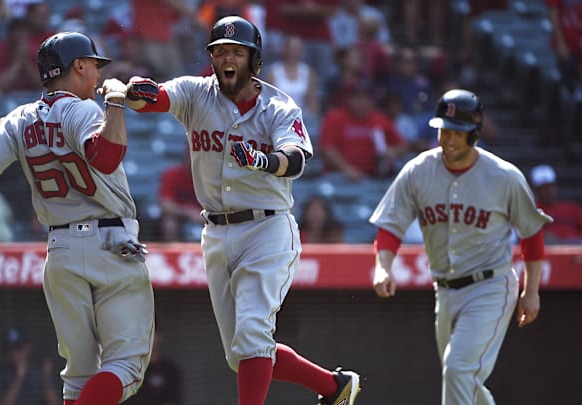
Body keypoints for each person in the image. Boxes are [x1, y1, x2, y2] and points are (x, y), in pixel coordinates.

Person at [125, 16, 361, 405]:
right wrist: (136, 92)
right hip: (215, 232)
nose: (227, 58)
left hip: (266, 228)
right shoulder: (195, 92)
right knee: (243, 356)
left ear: (254, 60)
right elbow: (156, 98)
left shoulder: (278, 107)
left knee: (252, 336)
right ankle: (334, 387)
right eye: (219, 52)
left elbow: (297, 159)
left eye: (237, 52)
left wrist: (263, 161)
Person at [0, 31, 155, 405]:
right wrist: (115, 103)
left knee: (79, 377)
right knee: (125, 367)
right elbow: (107, 158)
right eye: (94, 65)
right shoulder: (82, 108)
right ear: (78, 66)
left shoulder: (18, 118)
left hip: (60, 250)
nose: (96, 74)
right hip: (111, 243)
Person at [370, 89, 553, 405]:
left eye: (457, 133)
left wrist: (531, 290)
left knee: (457, 370)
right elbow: (390, 226)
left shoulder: (504, 176)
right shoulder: (419, 170)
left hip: (490, 287)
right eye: (444, 130)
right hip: (444, 290)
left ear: (475, 135)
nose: (449, 139)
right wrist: (382, 267)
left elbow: (531, 235)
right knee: (463, 380)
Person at [319, 80, 407, 181]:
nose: (362, 102)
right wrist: (347, 169)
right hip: (340, 176)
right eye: (358, 98)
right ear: (349, 99)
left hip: (373, 177)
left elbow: (402, 146)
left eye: (366, 98)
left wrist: (393, 151)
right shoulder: (334, 118)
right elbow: (327, 149)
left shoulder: (380, 119)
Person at [0, 327, 61, 405]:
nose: (15, 354)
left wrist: (45, 377)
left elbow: (54, 403)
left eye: (19, 348)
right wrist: (18, 378)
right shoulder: (1, 375)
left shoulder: (40, 372)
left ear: (27, 347)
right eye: (10, 350)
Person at [0, 17, 43, 97]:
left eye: (24, 31)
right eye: (17, 30)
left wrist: (27, 63)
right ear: (9, 33)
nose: (21, 35)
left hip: (31, 96)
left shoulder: (38, 51)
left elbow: (42, 85)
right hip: (3, 97)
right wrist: (17, 63)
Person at [529, 164, 582, 244]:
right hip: (551, 251)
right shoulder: (532, 210)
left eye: (551, 186)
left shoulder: (571, 207)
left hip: (578, 248)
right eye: (544, 187)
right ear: (535, 190)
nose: (549, 190)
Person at [123, 327, 182, 405]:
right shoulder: (129, 369)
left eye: (152, 334)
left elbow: (172, 399)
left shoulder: (170, 370)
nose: (148, 339)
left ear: (160, 337)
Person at [157, 151, 204, 242]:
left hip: (204, 215)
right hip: (181, 216)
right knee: (169, 221)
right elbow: (165, 204)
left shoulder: (207, 178)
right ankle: (174, 251)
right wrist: (189, 212)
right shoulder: (172, 174)